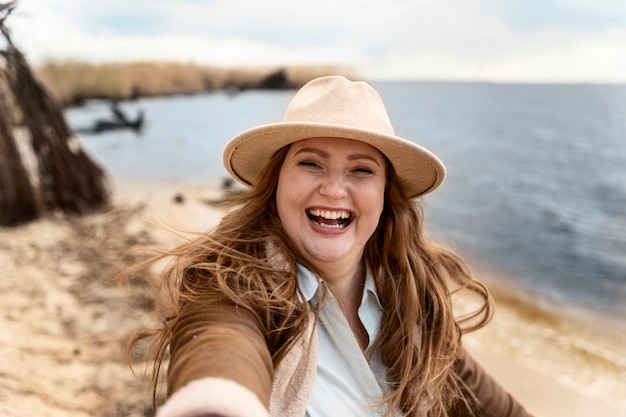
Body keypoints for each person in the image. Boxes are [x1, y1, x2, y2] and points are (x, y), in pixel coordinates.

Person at [124, 75, 533, 417]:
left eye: (360, 170)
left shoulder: (413, 300)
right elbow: (220, 346)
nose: (334, 189)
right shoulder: (229, 288)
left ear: (386, 192)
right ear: (276, 179)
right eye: (311, 163)